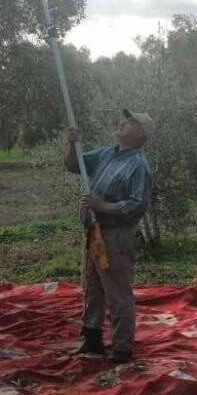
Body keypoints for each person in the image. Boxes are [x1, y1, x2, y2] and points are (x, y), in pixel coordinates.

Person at [64, 109, 156, 364]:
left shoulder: (139, 165)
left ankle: (121, 349)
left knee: (117, 293)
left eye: (130, 122)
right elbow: (74, 165)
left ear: (141, 134)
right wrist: (72, 145)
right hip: (93, 232)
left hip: (115, 237)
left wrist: (101, 206)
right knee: (92, 288)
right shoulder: (106, 152)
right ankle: (92, 339)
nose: (122, 123)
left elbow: (137, 205)